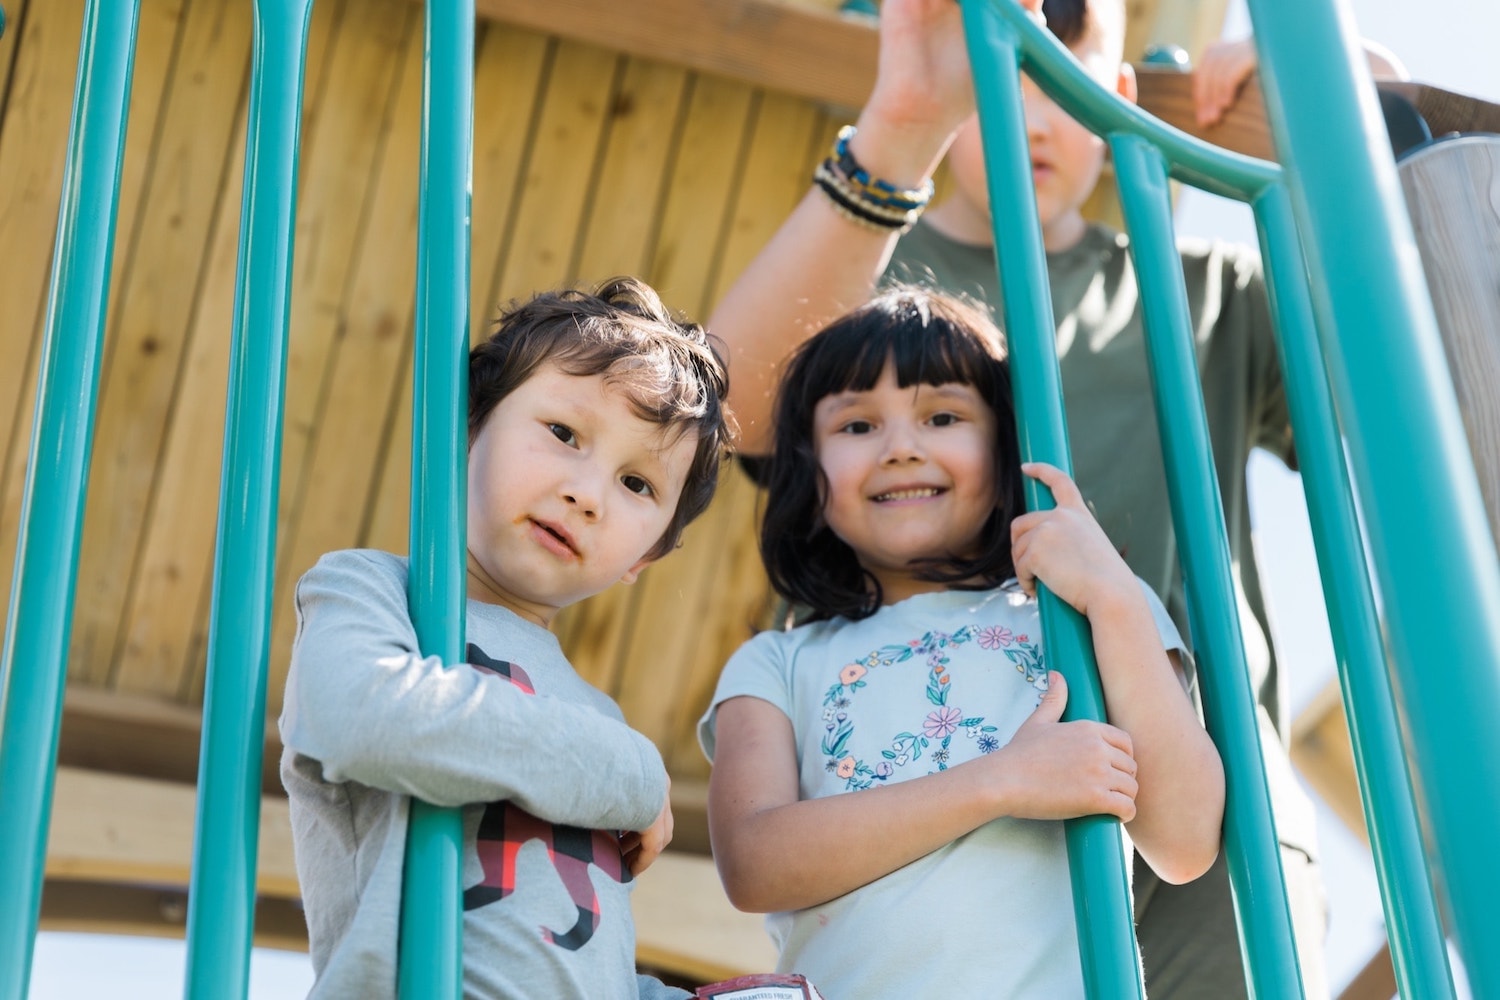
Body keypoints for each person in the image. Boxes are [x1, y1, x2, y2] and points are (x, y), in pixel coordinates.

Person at [705, 0, 1332, 995]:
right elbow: (727, 413)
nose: (1031, 109)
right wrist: (905, 121)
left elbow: (1415, 382)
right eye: (1007, 55)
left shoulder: (1198, 290)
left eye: (1066, 59)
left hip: (1199, 799)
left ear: (1117, 95)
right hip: (923, 828)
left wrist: (1335, 89)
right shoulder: (876, 299)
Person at [698, 288, 1226, 998]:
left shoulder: (1083, 616)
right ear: (808, 471)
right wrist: (1000, 781)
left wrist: (1111, 597)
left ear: (1004, 446)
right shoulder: (777, 662)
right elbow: (754, 863)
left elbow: (1186, 839)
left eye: (942, 416)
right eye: (856, 426)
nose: (900, 448)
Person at [279, 277, 732, 999]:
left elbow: (577, 954)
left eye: (637, 484)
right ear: (469, 426)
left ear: (644, 559)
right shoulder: (371, 590)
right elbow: (361, 715)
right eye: (563, 433)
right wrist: (635, 774)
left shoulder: (596, 717)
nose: (588, 492)